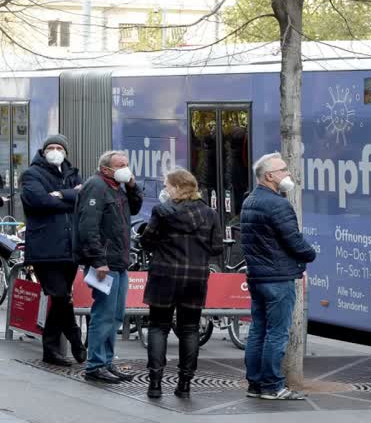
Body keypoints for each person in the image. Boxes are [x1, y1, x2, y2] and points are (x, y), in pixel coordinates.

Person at [140, 168, 223, 399]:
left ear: (177, 188)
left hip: (164, 276)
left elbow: (147, 241)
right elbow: (217, 248)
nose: (165, 190)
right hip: (195, 278)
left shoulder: (162, 211)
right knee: (190, 330)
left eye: (167, 186)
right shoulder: (210, 214)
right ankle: (184, 384)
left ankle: (155, 384)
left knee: (158, 327)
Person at [241, 152, 316, 400]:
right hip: (277, 277)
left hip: (257, 277)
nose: (288, 173)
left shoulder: (249, 201)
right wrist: (309, 254)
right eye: (283, 170)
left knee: (258, 330)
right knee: (276, 333)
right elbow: (292, 240)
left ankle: (255, 384)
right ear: (270, 176)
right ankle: (273, 386)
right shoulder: (278, 204)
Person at [75, 150, 143, 383]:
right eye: (121, 165)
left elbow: (134, 209)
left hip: (118, 262)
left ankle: (106, 362)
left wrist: (133, 186)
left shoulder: (117, 188)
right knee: (103, 315)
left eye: (127, 163)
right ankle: (95, 366)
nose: (126, 168)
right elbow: (88, 227)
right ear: (106, 169)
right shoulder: (96, 187)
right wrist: (98, 261)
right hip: (104, 263)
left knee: (115, 316)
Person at [20, 134, 85, 366]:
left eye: (59, 147)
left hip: (70, 247)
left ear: (65, 152)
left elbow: (83, 198)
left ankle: (53, 350)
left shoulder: (73, 174)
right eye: (51, 147)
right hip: (45, 248)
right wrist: (71, 196)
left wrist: (61, 194)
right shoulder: (31, 174)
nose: (55, 151)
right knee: (58, 296)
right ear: (44, 151)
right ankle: (74, 340)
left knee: (63, 298)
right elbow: (39, 202)